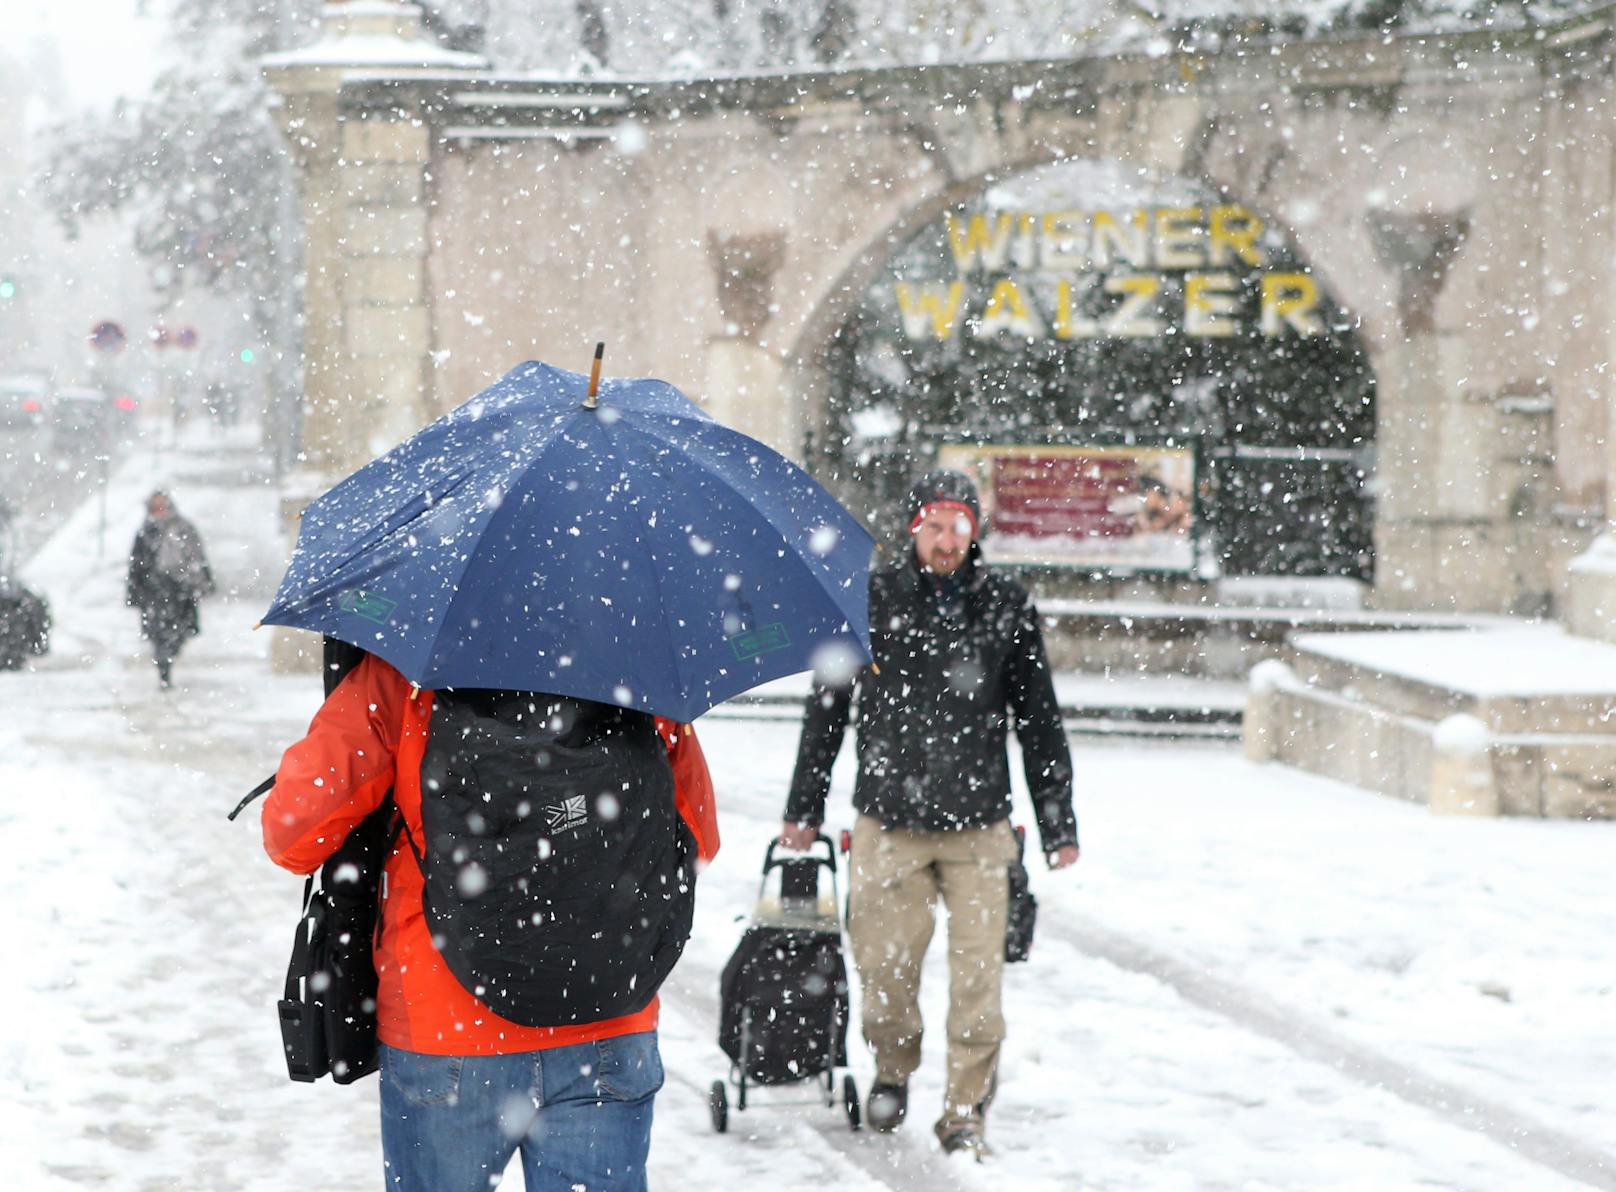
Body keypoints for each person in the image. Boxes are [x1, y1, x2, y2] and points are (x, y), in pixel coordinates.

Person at [262, 651, 719, 1192]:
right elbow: (699, 838)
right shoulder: (632, 667)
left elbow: (290, 835)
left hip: (446, 1029)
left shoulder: (403, 675)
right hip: (607, 1020)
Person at [780, 469, 1078, 1159]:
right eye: (934, 526)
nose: (947, 541)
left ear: (976, 532)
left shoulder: (1006, 605)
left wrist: (1058, 822)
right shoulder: (870, 598)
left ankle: (965, 1111)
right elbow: (826, 713)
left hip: (980, 827)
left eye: (959, 527)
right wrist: (803, 808)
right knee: (885, 971)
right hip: (889, 821)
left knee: (979, 983)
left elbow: (1040, 723)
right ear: (913, 529)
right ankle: (892, 1067)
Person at [125, 490, 213, 689]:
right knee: (159, 636)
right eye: (155, 508)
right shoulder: (145, 532)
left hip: (178, 592)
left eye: (161, 507)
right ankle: (164, 669)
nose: (159, 512)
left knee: (178, 633)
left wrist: (200, 581)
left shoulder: (183, 528)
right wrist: (135, 592)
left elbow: (196, 556)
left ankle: (168, 659)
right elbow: (136, 565)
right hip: (153, 593)